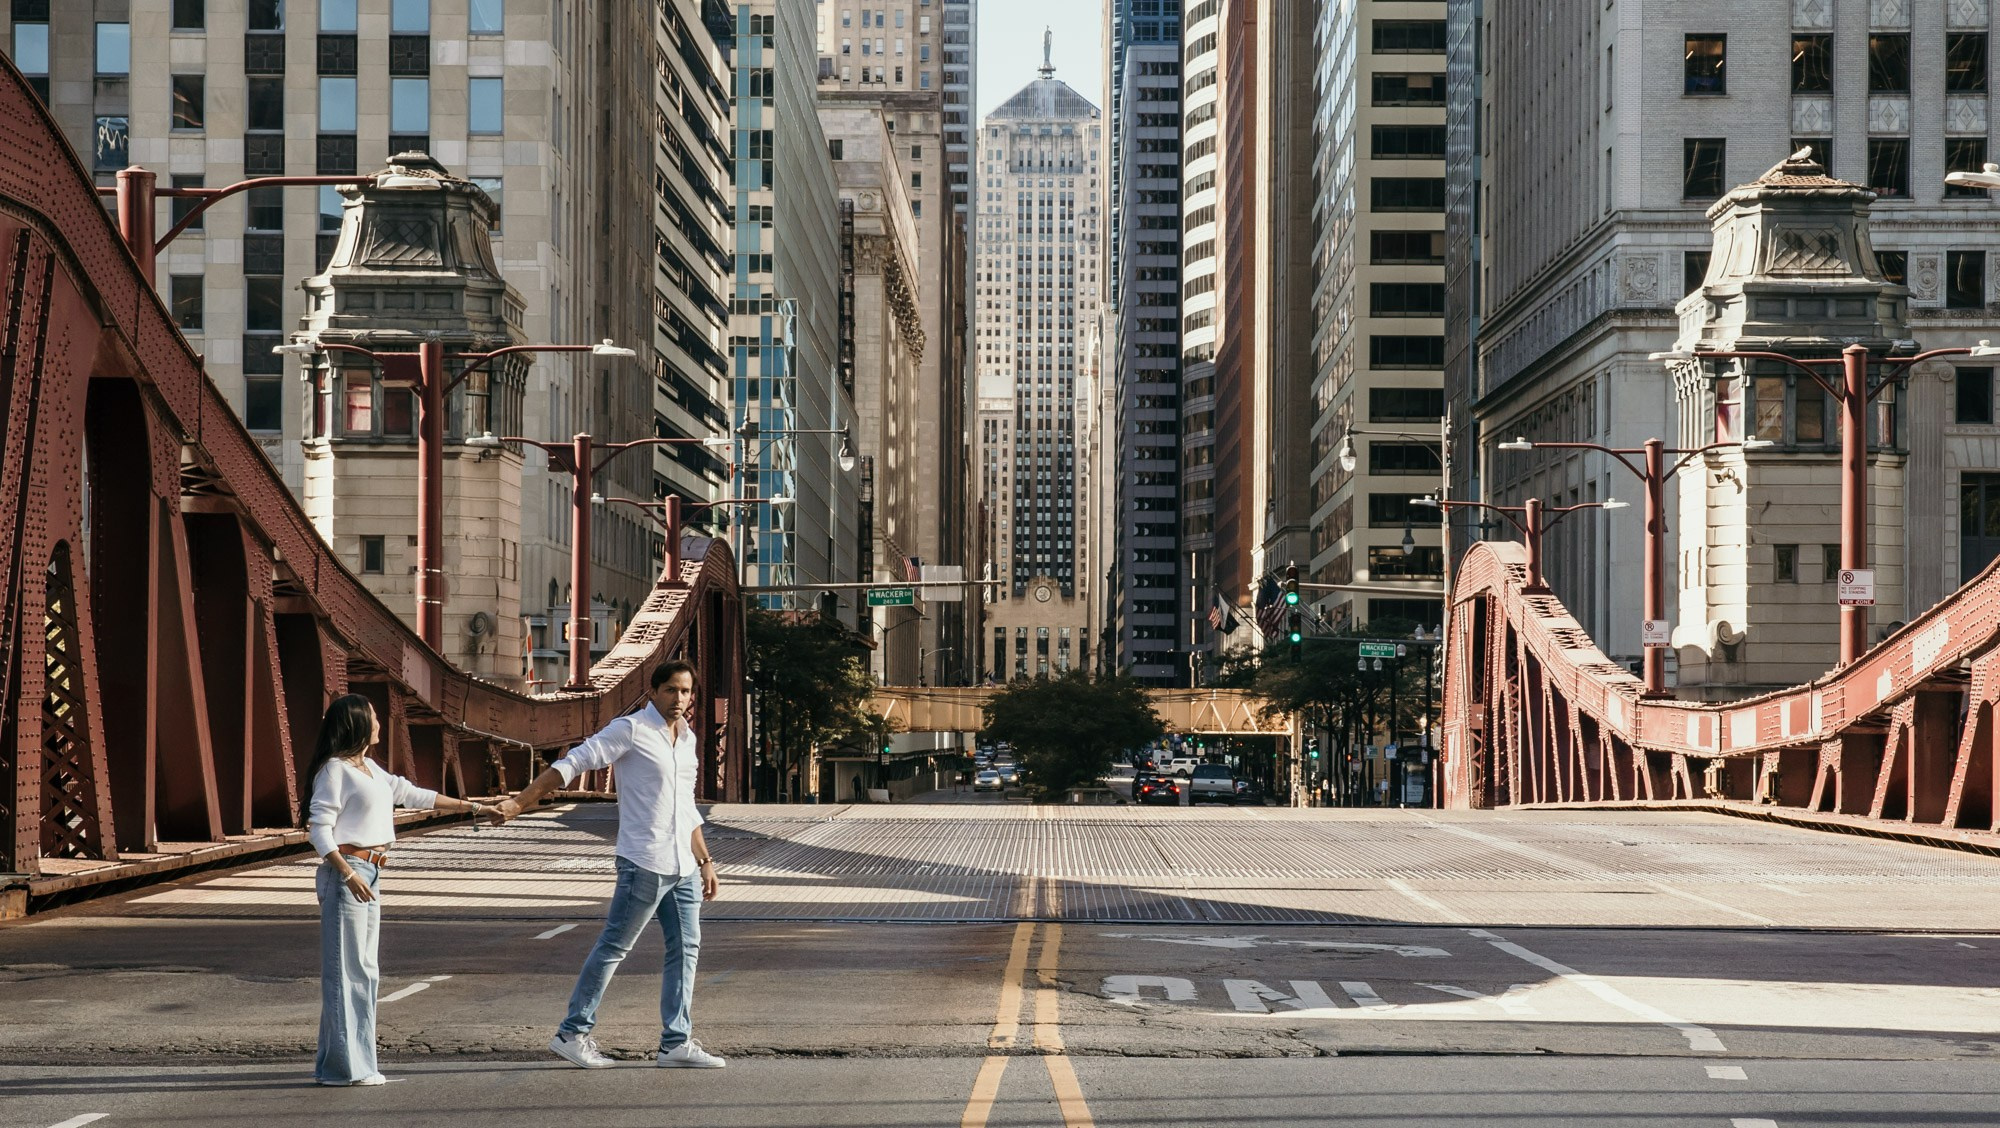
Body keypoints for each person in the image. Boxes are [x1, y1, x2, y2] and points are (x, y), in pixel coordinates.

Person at [492, 659, 723, 1070]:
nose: (679, 699)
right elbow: (573, 763)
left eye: (686, 691)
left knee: (686, 951)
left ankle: (676, 1043)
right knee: (615, 947)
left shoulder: (686, 739)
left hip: (683, 865)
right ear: (653, 692)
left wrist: (704, 859)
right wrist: (520, 802)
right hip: (644, 861)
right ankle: (572, 1033)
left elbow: (685, 808)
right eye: (670, 689)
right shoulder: (630, 730)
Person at [306, 694, 493, 1086]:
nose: (379, 723)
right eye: (373, 717)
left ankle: (334, 1066)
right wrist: (346, 874)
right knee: (348, 973)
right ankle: (348, 1070)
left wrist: (472, 808)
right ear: (357, 723)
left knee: (363, 972)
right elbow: (319, 830)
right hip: (350, 872)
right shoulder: (334, 771)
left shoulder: (370, 768)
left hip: (371, 873)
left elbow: (414, 794)